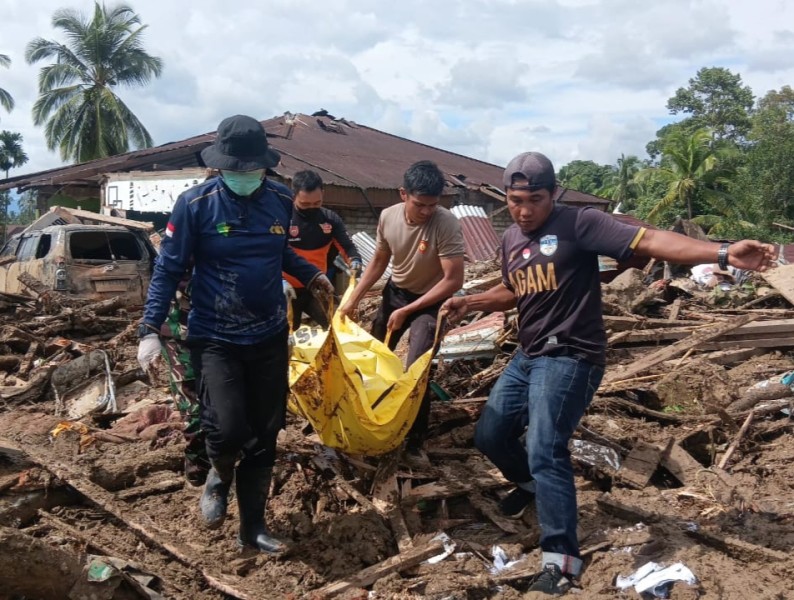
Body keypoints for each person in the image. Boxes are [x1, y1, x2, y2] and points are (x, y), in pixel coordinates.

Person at [440, 151, 777, 596]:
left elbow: (650, 240)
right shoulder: (511, 240)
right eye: (515, 200)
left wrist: (723, 252)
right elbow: (513, 290)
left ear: (552, 194)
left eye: (535, 200)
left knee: (545, 448)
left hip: (570, 357)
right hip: (528, 354)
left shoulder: (578, 223)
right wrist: (471, 302)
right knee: (490, 435)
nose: (524, 211)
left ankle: (561, 561)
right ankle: (533, 487)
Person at [137, 115, 334, 554]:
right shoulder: (195, 204)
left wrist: (311, 275)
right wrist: (149, 328)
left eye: (251, 169)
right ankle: (219, 473)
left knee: (265, 433)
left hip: (268, 334)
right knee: (225, 428)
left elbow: (280, 253)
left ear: (264, 165)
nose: (243, 176)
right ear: (220, 166)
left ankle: (254, 529)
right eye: (235, 170)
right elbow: (168, 268)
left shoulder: (280, 200)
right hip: (215, 336)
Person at [339, 160, 465, 452]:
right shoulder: (388, 217)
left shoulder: (446, 223)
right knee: (372, 354)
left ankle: (415, 439)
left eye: (432, 205)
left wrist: (409, 310)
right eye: (420, 205)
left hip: (432, 301)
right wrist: (353, 299)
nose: (426, 212)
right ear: (403, 194)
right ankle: (368, 417)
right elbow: (379, 261)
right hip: (395, 294)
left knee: (417, 369)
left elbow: (453, 280)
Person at [285, 169, 362, 330]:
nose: (311, 208)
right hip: (286, 289)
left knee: (339, 325)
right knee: (286, 334)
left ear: (323, 194)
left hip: (317, 285)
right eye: (305, 204)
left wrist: (355, 261)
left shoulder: (330, 220)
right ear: (294, 196)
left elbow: (347, 247)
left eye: (317, 203)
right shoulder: (283, 217)